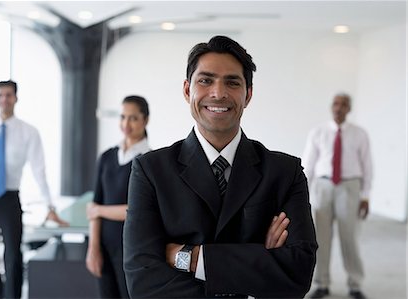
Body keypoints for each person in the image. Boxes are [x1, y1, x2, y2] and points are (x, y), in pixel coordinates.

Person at [123, 35, 317, 298]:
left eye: (232, 82)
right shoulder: (150, 171)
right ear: (187, 90)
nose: (218, 93)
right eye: (205, 80)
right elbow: (144, 283)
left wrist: (190, 258)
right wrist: (258, 260)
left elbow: (298, 274)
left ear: (247, 94)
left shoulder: (286, 172)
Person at [0, 80, 68, 299]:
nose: (4, 99)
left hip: (8, 200)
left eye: (8, 95)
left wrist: (50, 205)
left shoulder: (28, 132)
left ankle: (12, 296)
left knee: (13, 254)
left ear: (16, 98)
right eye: (0, 95)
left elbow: (39, 171)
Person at [302, 93, 372, 299]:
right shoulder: (318, 132)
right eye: (336, 103)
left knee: (349, 237)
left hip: (350, 187)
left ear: (349, 109)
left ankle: (355, 284)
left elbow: (367, 166)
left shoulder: (359, 134)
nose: (339, 107)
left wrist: (365, 196)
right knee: (320, 238)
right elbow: (308, 165)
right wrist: (302, 195)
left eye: (344, 104)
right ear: (331, 107)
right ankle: (322, 283)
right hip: (323, 186)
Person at [86, 95, 151, 298]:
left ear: (145, 120)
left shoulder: (150, 161)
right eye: (123, 117)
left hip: (134, 250)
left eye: (133, 118)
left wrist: (98, 210)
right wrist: (93, 248)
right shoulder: (106, 157)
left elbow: (137, 210)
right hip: (104, 247)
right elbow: (94, 205)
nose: (126, 124)